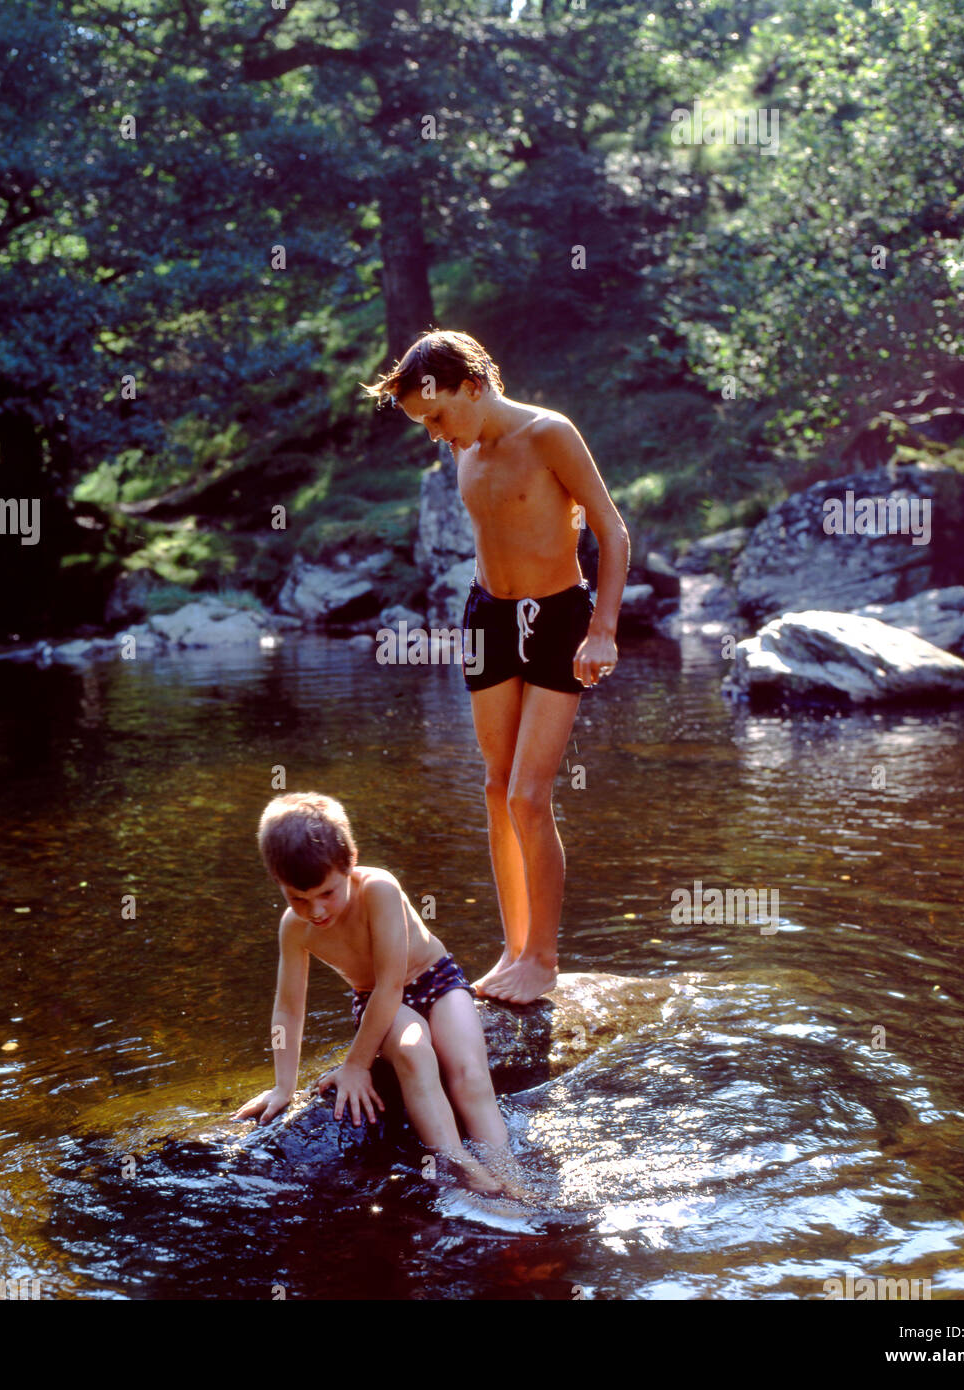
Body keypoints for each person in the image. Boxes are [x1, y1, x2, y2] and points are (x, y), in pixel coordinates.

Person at [361, 330, 630, 1004]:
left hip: (557, 617)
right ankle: (512, 949)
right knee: (492, 788)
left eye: (437, 415)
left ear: (472, 387)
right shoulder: (462, 447)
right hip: (487, 617)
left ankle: (543, 958)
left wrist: (602, 631)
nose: (434, 434)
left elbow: (611, 530)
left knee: (527, 796)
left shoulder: (548, 434)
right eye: (422, 425)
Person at [232, 791, 527, 1198]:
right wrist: (284, 1086)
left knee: (470, 1074)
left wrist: (356, 1064)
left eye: (327, 893)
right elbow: (288, 1007)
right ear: (279, 884)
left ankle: (508, 1174)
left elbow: (393, 981)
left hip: (435, 981)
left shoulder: (379, 889)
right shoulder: (294, 928)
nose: (316, 911)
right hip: (377, 1001)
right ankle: (462, 1168)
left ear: (348, 864)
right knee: (415, 1053)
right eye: (297, 898)